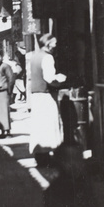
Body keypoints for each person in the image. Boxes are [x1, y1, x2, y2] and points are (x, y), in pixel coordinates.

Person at [29, 33, 66, 166]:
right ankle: (47, 156)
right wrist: (60, 79)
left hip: (36, 95)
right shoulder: (47, 57)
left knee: (39, 126)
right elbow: (50, 78)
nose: (55, 46)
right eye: (54, 43)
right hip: (46, 96)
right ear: (48, 43)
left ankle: (40, 156)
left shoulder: (34, 56)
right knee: (48, 126)